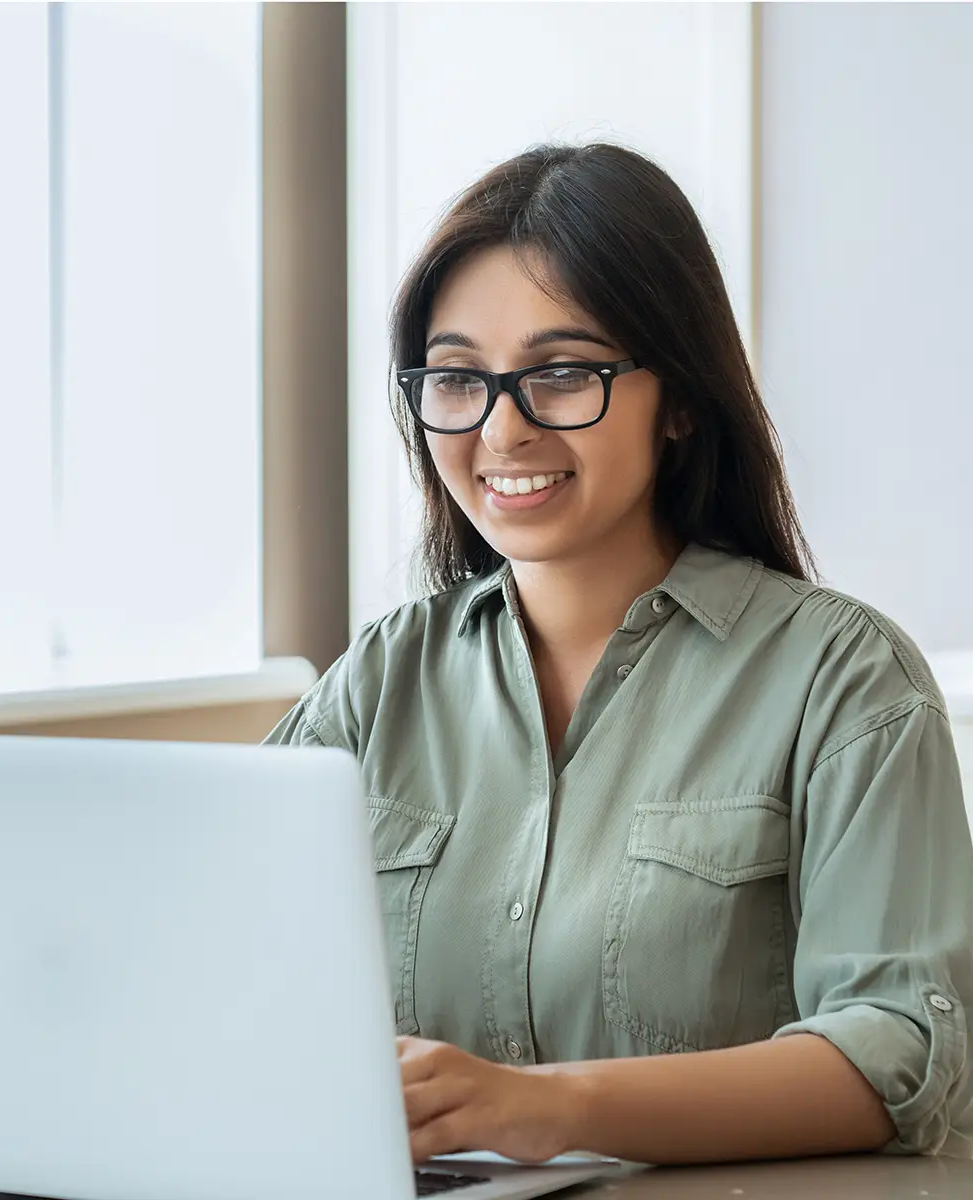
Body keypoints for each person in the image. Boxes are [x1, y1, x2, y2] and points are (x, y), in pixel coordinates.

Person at [265, 143, 973, 1165]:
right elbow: (212, 962)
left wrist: (545, 1107)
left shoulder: (847, 682)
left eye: (560, 373)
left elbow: (896, 1055)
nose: (501, 430)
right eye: (457, 379)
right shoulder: (378, 682)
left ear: (679, 400)